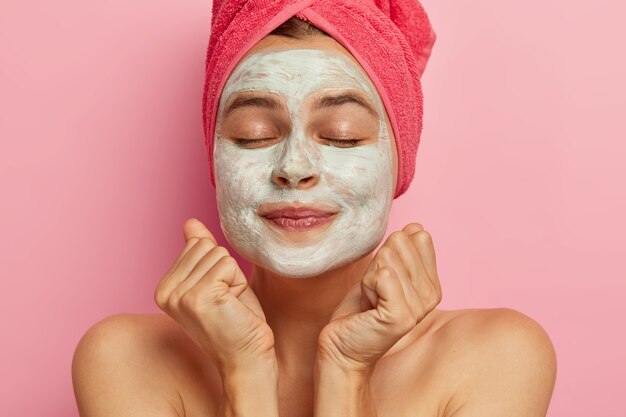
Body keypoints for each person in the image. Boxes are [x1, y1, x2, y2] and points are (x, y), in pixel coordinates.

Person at [71, 14, 557, 417]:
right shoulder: (126, 358)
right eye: (253, 133)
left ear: (399, 161)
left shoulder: (496, 356)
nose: (294, 168)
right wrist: (245, 373)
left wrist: (347, 371)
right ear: (215, 158)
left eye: (342, 134)